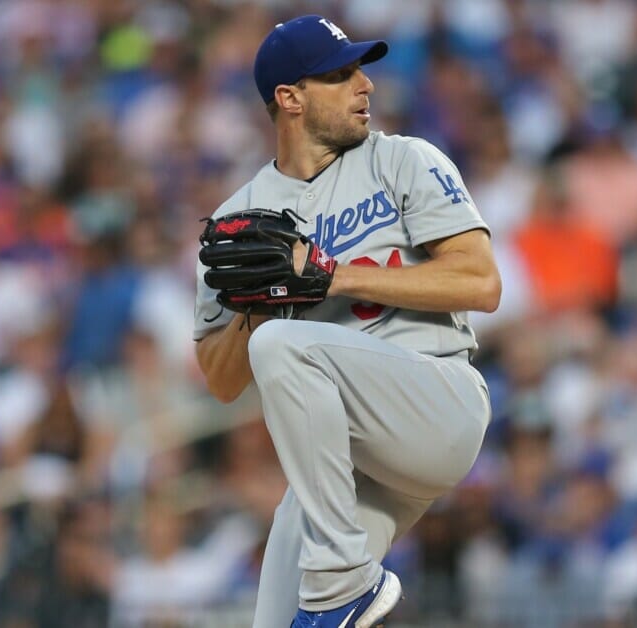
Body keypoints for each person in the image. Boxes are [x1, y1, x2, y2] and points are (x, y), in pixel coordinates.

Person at [194, 14, 501, 628]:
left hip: (436, 400)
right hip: (347, 459)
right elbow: (221, 380)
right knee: (279, 617)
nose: (366, 85)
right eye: (339, 75)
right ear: (290, 98)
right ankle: (338, 588)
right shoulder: (240, 217)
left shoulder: (402, 160)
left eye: (360, 70)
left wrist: (333, 276)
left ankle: (344, 582)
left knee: (283, 343)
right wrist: (258, 304)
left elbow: (481, 283)